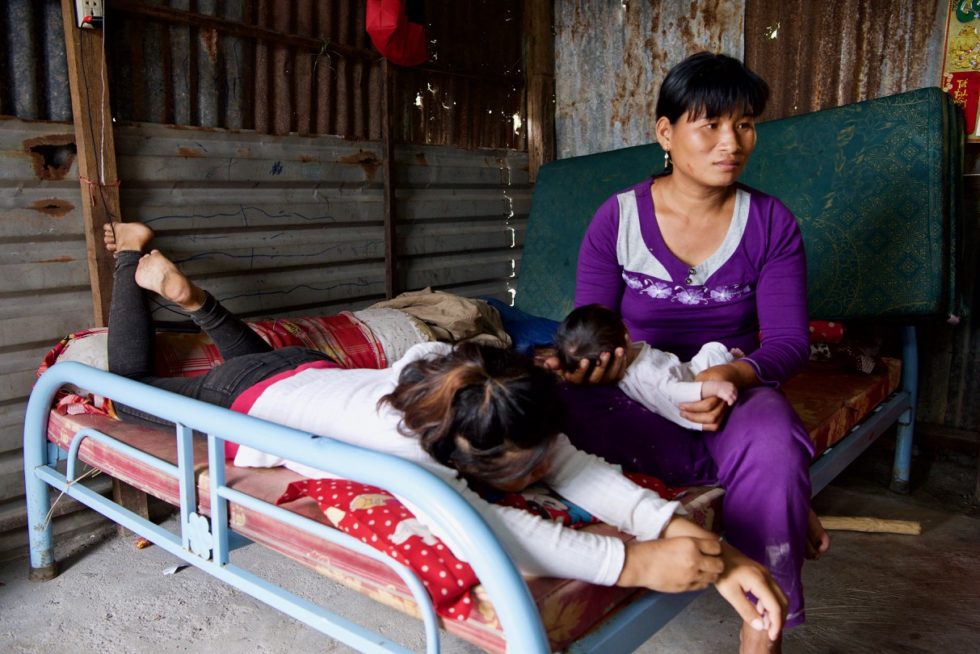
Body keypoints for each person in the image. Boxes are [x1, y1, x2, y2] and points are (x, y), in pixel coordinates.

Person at [103, 221, 787, 642]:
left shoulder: (478, 381)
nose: (541, 476)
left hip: (302, 374)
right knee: (126, 395)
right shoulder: (409, 449)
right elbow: (495, 531)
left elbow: (567, 462)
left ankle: (195, 301)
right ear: (461, 458)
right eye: (521, 472)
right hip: (249, 394)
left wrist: (663, 521)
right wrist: (631, 560)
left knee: (258, 366)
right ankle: (134, 265)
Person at [549, 52, 830, 653]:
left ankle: (762, 628)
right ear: (666, 133)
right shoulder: (617, 220)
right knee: (543, 407)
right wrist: (597, 364)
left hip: (729, 393)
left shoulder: (771, 223)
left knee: (772, 435)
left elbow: (786, 342)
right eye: (710, 125)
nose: (732, 142)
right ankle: (777, 490)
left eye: (746, 123)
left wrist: (733, 372)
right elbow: (591, 325)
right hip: (636, 397)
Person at [554, 303, 740, 430]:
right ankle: (733, 358)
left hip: (680, 372)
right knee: (712, 349)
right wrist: (713, 387)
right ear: (626, 333)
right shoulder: (646, 369)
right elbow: (673, 390)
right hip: (690, 391)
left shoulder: (629, 361)